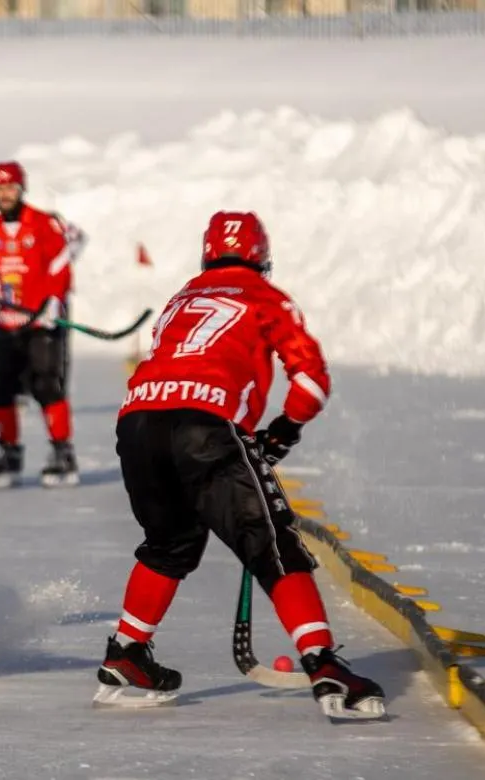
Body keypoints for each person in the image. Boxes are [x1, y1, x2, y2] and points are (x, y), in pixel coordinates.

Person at [95, 211, 385, 720]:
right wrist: (284, 429)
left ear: (209, 254)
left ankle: (128, 651)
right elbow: (311, 378)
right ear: (261, 257)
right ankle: (323, 665)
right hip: (204, 425)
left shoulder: (182, 295)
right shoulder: (266, 296)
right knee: (273, 543)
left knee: (170, 543)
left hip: (138, 422)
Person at [0, 161, 81, 488]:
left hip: (41, 321)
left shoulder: (43, 223)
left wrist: (54, 302)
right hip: (7, 322)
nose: (5, 194)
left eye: (10, 188)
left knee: (47, 386)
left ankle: (63, 453)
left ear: (21, 189)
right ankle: (9, 453)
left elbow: (60, 263)